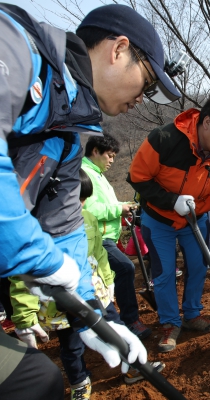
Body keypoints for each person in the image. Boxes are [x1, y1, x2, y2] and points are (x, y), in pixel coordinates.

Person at [0, 3, 180, 398]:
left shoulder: (69, 133)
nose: (144, 98)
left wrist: (93, 316)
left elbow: (63, 226)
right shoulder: (3, 42)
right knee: (32, 383)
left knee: (30, 378)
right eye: (148, 83)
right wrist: (38, 259)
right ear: (119, 50)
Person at [10, 170, 165, 398]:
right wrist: (24, 316)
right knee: (72, 346)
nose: (80, 204)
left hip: (96, 291)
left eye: (83, 199)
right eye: (75, 199)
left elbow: (99, 253)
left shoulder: (89, 218)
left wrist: (109, 281)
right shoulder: (34, 228)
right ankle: (79, 382)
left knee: (114, 325)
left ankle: (134, 366)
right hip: (60, 302)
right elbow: (21, 279)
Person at [127, 93, 210, 353]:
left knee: (198, 266)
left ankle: (193, 314)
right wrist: (170, 200)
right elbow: (137, 177)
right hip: (159, 218)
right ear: (207, 123)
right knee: (164, 274)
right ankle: (170, 323)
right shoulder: (164, 140)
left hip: (195, 219)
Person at [81, 133, 152, 339]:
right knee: (124, 268)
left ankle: (106, 322)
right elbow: (90, 208)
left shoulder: (97, 174)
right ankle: (129, 320)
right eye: (109, 156)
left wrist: (123, 207)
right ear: (95, 151)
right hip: (96, 238)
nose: (112, 161)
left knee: (107, 278)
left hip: (106, 236)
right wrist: (119, 208)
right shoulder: (85, 173)